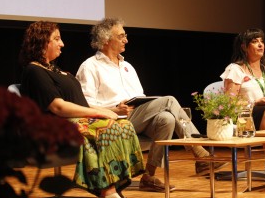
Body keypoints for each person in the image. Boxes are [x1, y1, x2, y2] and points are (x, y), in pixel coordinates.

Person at [75, 17, 228, 192]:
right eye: (121, 36)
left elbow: (140, 96)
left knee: (167, 119)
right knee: (169, 100)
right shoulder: (90, 66)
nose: (126, 40)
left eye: (126, 35)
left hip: (136, 116)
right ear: (106, 40)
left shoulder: (127, 66)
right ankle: (199, 153)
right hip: (113, 120)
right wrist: (114, 109)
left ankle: (149, 176)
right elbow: (85, 104)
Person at [18, 21, 145, 198]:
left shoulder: (56, 70)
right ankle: (107, 190)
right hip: (56, 123)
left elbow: (81, 102)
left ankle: (114, 185)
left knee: (124, 125)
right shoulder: (34, 70)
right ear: (42, 42)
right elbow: (58, 106)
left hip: (77, 117)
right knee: (106, 128)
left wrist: (108, 111)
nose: (62, 43)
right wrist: (99, 113)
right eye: (56, 39)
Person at [220, 28, 265, 184]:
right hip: (243, 117)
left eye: (261, 41)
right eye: (255, 41)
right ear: (243, 47)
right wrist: (255, 102)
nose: (260, 45)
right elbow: (228, 103)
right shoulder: (235, 69)